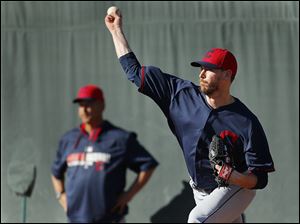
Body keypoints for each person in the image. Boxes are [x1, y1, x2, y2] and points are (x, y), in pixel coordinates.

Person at [105, 10, 275, 223]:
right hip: (200, 190)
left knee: (197, 220)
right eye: (201, 68)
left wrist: (235, 176)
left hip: (235, 189)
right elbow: (134, 72)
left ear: (227, 75)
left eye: (210, 69)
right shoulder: (179, 94)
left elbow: (260, 178)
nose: (202, 73)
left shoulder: (246, 122)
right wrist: (116, 30)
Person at [51, 84, 158, 223]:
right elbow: (56, 173)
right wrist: (61, 196)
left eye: (89, 104)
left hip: (110, 218)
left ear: (102, 105)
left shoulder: (120, 138)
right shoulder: (69, 139)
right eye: (80, 105)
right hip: (75, 219)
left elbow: (148, 165)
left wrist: (128, 195)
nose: (84, 110)